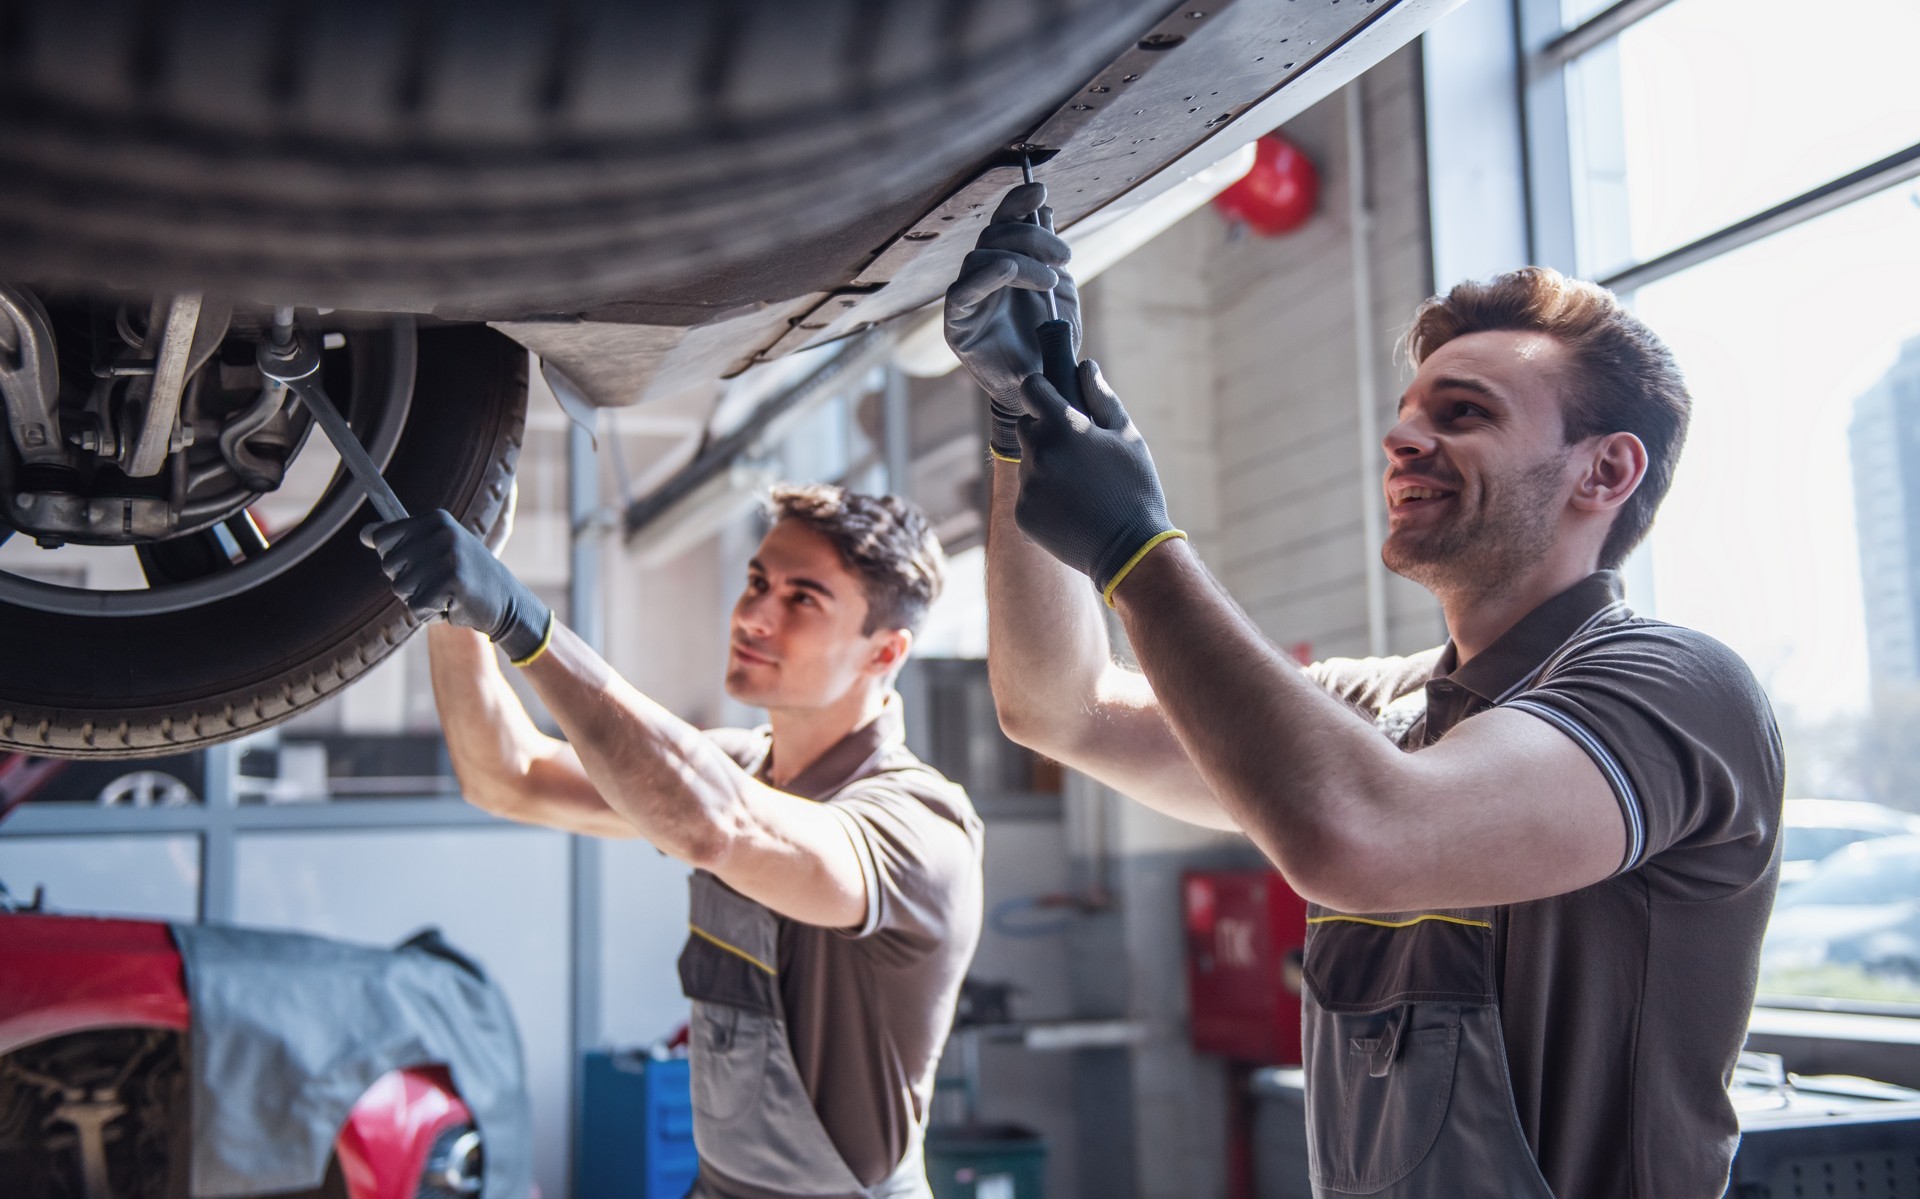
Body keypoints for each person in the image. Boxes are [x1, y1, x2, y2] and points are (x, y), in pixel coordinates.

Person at [946, 183, 1782, 1199]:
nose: (1401, 439)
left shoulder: (1673, 688)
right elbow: (1059, 706)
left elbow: (1364, 838)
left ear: (1604, 471)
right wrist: (1024, 414)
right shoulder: (1383, 711)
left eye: (1463, 413)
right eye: (1408, 412)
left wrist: (1136, 548)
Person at [360, 483, 983, 1199]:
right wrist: (455, 609)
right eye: (757, 581)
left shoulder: (919, 825)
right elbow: (507, 774)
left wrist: (520, 619)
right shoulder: (736, 768)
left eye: (802, 598)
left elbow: (721, 826)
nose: (753, 614)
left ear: (886, 651)